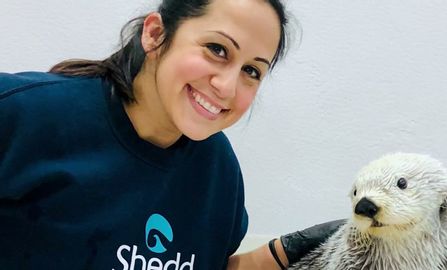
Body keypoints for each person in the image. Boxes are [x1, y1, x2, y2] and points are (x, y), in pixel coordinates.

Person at [0, 0, 344, 269]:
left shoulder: (219, 173)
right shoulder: (21, 114)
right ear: (154, 34)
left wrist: (283, 256)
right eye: (217, 49)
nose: (227, 87)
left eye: (251, 71)